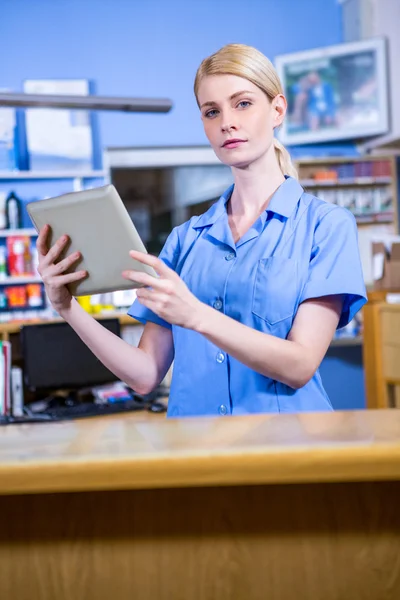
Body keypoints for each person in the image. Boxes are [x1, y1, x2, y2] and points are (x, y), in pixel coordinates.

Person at [36, 43, 367, 418]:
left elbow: (300, 365)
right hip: (194, 451)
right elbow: (145, 375)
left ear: (277, 110)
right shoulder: (185, 239)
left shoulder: (325, 226)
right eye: (212, 111)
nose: (227, 121)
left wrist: (196, 315)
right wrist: (67, 308)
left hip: (286, 449)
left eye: (242, 103)